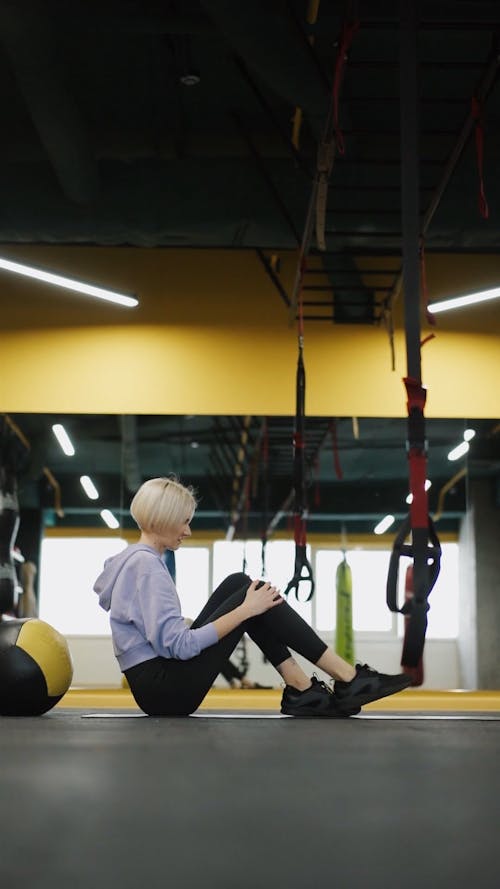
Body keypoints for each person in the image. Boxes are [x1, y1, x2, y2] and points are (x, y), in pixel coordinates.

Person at [94, 476, 411, 717]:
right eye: (185, 521)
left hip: (155, 687)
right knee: (252, 601)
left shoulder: (134, 560)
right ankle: (346, 677)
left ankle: (303, 689)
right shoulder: (147, 567)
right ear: (163, 518)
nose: (187, 531)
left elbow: (158, 634)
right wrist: (245, 611)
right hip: (167, 692)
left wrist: (238, 609)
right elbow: (180, 646)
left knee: (242, 584)